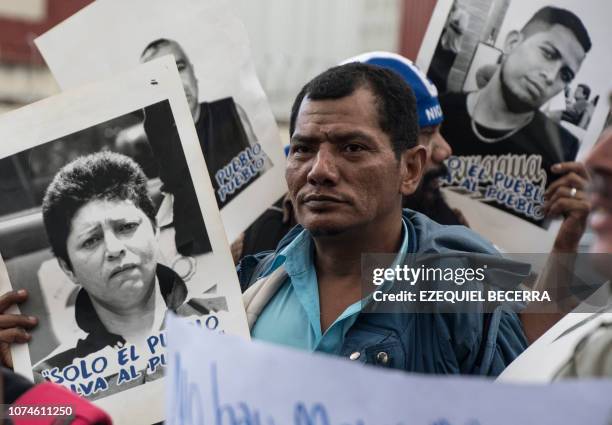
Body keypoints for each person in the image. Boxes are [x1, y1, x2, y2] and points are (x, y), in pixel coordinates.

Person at [238, 62, 528, 376]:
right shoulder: (252, 285)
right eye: (303, 149)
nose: (318, 170)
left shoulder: (468, 303)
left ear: (410, 169)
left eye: (352, 147)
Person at [0, 152, 224, 398]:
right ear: (68, 269)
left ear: (156, 230)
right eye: (92, 240)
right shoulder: (48, 380)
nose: (114, 249)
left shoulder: (227, 312)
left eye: (126, 227)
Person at [439, 6, 592, 225]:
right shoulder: (440, 112)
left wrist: (567, 230)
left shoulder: (561, 150)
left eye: (565, 74)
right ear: (512, 43)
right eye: (548, 53)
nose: (550, 76)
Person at [140, 38, 269, 210]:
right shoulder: (154, 149)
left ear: (193, 73)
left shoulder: (231, 112)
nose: (176, 82)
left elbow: (266, 170)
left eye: (179, 68)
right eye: (160, 78)